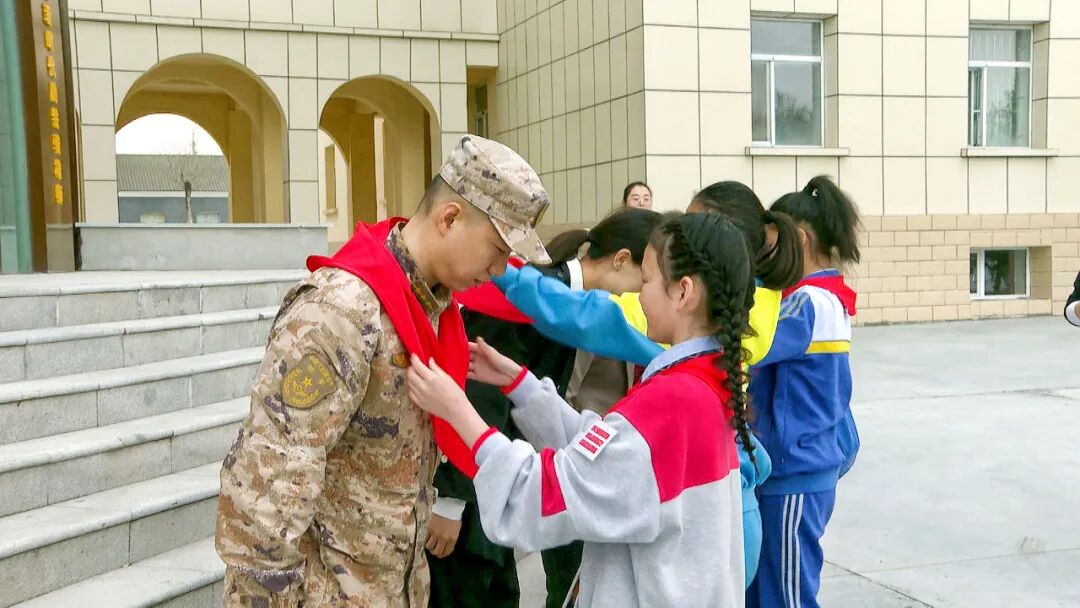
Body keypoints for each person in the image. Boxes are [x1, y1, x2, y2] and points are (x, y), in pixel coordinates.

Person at [214, 135, 551, 607]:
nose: (499, 269)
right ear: (450, 218)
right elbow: (270, 476)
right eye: (497, 249)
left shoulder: (431, 308)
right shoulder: (342, 310)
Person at [407, 213, 757, 607]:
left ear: (683, 292)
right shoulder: (705, 383)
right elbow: (608, 455)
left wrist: (457, 410)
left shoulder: (671, 403)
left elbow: (545, 491)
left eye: (646, 281)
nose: (638, 295)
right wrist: (523, 387)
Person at [429, 209, 663, 608]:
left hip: (509, 473)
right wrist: (450, 501)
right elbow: (476, 392)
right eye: (644, 281)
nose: (641, 296)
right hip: (474, 486)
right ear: (621, 260)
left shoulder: (565, 301)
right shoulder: (526, 299)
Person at [746, 176, 862, 608]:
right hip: (798, 467)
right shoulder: (826, 298)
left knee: (787, 596)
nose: (763, 257)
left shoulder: (806, 303)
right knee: (769, 591)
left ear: (797, 239)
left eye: (768, 245)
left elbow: (750, 347)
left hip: (793, 471)